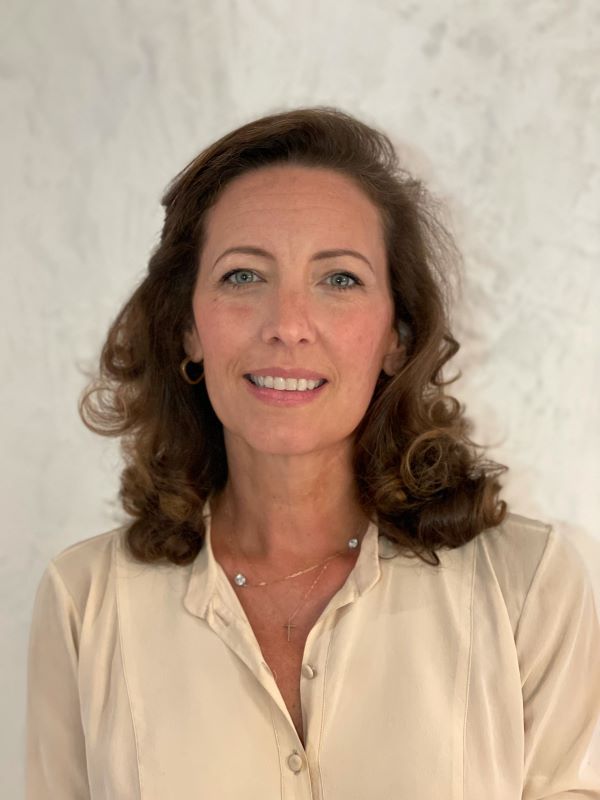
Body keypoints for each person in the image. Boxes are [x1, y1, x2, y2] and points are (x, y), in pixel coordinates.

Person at [26, 106, 600, 799]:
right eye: (243, 276)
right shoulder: (85, 602)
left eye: (339, 279)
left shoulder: (527, 588)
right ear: (186, 329)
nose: (287, 325)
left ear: (397, 334)